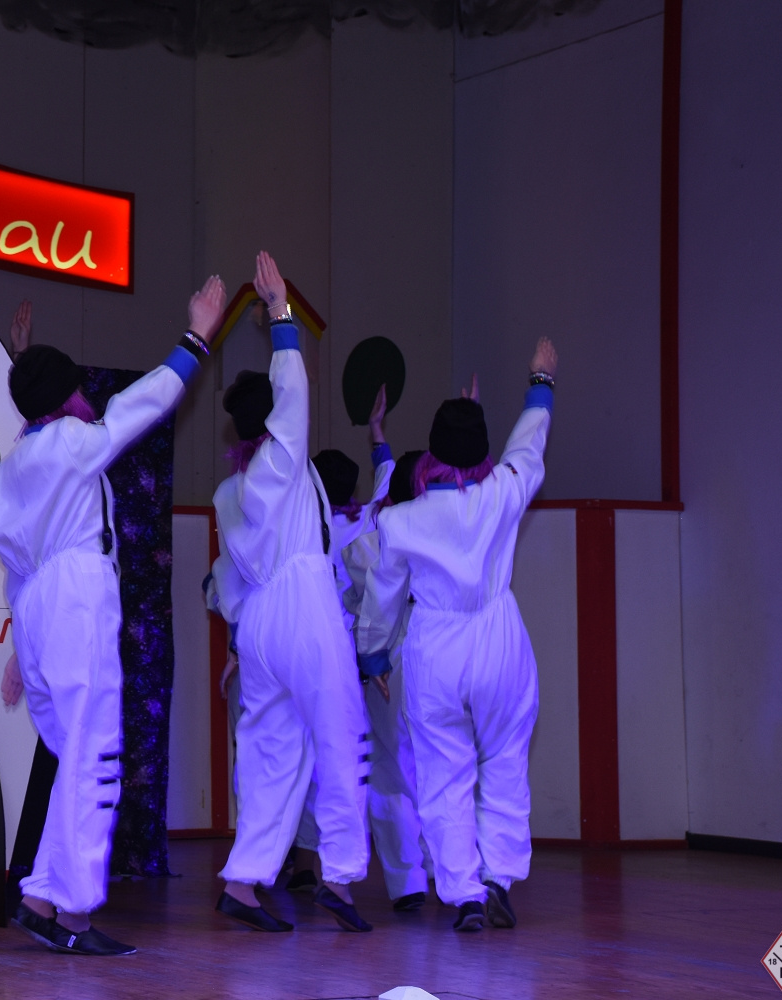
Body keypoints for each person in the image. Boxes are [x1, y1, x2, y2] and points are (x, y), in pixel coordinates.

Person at [0, 273, 225, 956]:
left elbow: (17, 569)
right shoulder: (69, 441)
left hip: (37, 608)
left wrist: (19, 648)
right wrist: (196, 336)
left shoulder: (10, 470)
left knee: (75, 755)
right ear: (65, 398)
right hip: (74, 596)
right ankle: (72, 913)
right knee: (94, 756)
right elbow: (137, 407)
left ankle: (41, 896)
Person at [357, 339, 558, 932]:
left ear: (432, 451)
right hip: (498, 638)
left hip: (435, 646)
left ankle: (465, 894)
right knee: (505, 760)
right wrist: (541, 382)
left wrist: (374, 656)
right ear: (482, 453)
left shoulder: (400, 520)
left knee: (444, 774)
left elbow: (382, 597)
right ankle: (498, 878)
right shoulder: (503, 492)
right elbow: (527, 446)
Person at [212, 252, 372, 934]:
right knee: (340, 733)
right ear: (273, 420)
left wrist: (236, 643)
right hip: (304, 605)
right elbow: (295, 385)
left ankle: (243, 882)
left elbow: (227, 581)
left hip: (257, 622)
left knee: (271, 750)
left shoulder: (229, 491)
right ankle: (338, 876)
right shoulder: (283, 458)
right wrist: (279, 314)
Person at [286, 396, 428, 912]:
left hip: (362, 659)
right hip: (422, 654)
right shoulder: (383, 522)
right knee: (444, 766)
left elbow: (372, 604)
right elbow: (390, 479)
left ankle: (397, 880)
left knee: (363, 768)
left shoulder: (347, 535)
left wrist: (370, 658)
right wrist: (378, 434)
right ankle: (458, 875)